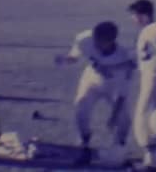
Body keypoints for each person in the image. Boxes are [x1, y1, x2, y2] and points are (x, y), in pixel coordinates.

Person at [54, 21, 136, 166]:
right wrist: (67, 59)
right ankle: (85, 143)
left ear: (111, 40)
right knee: (81, 109)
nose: (96, 43)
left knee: (123, 120)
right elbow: (75, 55)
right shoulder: (85, 39)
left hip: (113, 88)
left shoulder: (123, 58)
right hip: (91, 81)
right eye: (95, 39)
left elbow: (122, 94)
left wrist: (113, 116)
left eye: (101, 41)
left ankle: (119, 147)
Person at [128, 0, 156, 172]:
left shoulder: (155, 29)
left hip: (155, 80)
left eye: (135, 15)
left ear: (143, 15)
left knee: (144, 117)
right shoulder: (149, 30)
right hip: (151, 77)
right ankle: (155, 160)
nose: (133, 19)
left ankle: (153, 161)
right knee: (153, 120)